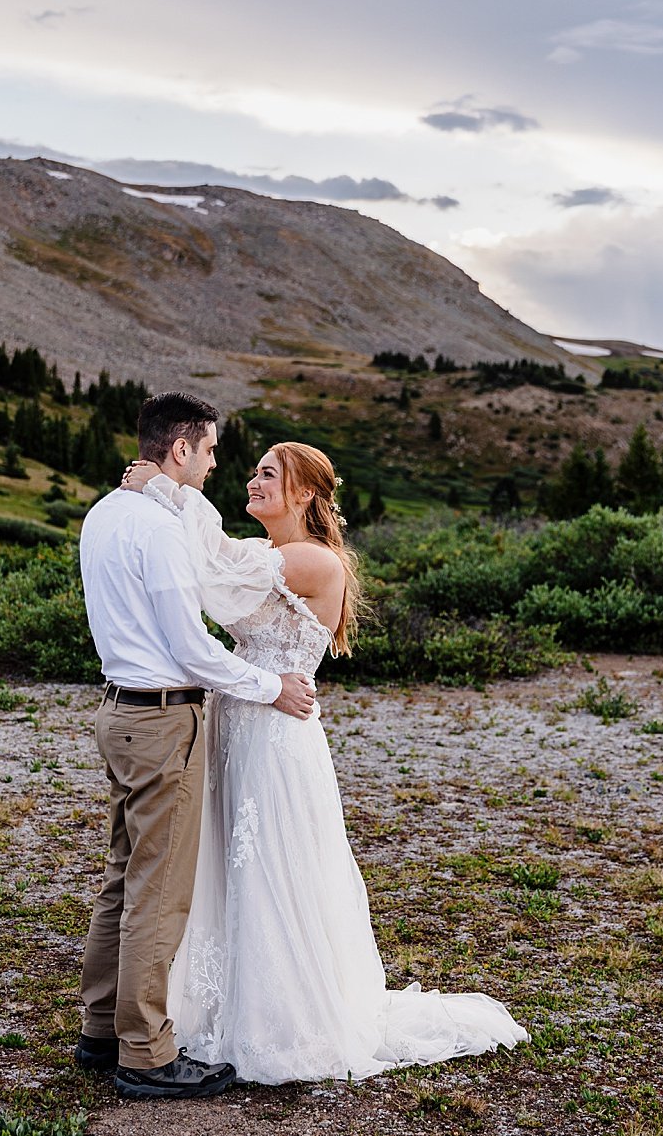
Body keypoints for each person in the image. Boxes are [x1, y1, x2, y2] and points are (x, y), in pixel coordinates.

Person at [121, 441, 526, 1085]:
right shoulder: (271, 556)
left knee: (270, 866)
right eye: (253, 471)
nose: (253, 481)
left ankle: (282, 1021)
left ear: (306, 494)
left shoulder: (310, 561)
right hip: (241, 726)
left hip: (275, 740)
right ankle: (228, 1003)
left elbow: (213, 581)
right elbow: (221, 564)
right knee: (230, 863)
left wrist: (168, 490)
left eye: (269, 474)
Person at [77, 393, 317, 1100]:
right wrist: (269, 685)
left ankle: (98, 1028)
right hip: (160, 721)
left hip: (118, 712)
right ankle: (146, 1054)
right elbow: (191, 646)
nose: (216, 465)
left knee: (123, 875)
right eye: (209, 450)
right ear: (179, 449)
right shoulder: (156, 529)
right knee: (159, 888)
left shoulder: (103, 514)